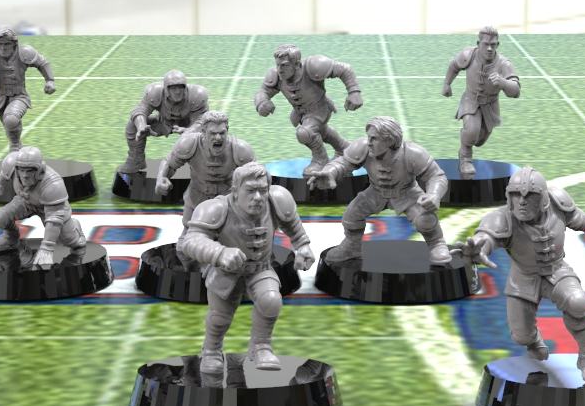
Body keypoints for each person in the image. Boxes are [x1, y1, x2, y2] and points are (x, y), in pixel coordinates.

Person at [458, 167, 585, 386]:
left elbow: (583, 220)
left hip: (557, 270)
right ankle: (533, 341)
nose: (522, 202)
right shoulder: (502, 218)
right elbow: (486, 237)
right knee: (521, 336)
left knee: (578, 301)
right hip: (523, 277)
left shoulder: (558, 203)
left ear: (542, 198)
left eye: (529, 196)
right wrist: (479, 248)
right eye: (515, 195)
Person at [178, 162, 315, 373]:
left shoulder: (277, 200)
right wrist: (219, 253)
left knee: (271, 301)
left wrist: (303, 246)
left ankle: (261, 346)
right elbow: (191, 241)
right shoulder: (216, 208)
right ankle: (211, 350)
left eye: (262, 190)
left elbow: (294, 226)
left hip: (261, 268)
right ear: (235, 190)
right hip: (225, 272)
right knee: (220, 317)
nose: (258, 197)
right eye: (250, 190)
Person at [308, 116, 451, 265]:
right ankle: (352, 246)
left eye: (374, 138)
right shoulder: (364, 147)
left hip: (407, 193)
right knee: (352, 214)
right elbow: (343, 163)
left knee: (425, 219)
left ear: (389, 140)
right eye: (368, 137)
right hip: (375, 193)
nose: (369, 142)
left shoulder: (413, 153)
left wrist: (434, 195)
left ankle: (437, 244)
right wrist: (330, 171)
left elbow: (436, 176)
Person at [254, 44, 362, 177]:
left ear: (297, 64)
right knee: (321, 131)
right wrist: (262, 102)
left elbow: (345, 69)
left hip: (319, 108)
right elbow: (263, 91)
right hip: (302, 113)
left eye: (285, 65)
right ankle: (344, 148)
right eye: (278, 65)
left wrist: (354, 91)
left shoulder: (313, 66)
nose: (280, 69)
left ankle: (320, 159)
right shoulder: (276, 75)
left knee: (305, 132)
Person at [0, 146, 88, 268]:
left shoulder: (53, 184)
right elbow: (4, 174)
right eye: (21, 170)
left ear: (40, 170)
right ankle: (11, 237)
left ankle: (75, 229)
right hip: (25, 201)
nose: (24, 175)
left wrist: (47, 247)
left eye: (30, 170)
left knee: (74, 242)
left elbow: (54, 218)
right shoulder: (11, 164)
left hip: (51, 209)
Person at [442, 27, 521, 176]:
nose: (489, 48)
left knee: (479, 140)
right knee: (471, 131)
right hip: (470, 100)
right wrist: (447, 84)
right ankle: (465, 159)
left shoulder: (503, 64)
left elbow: (515, 91)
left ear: (498, 45)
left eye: (493, 44)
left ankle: (470, 142)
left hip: (490, 106)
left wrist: (503, 82)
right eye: (486, 44)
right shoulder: (468, 55)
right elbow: (454, 65)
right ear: (479, 43)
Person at [154, 111, 255, 225]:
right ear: (203, 132)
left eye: (222, 133)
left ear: (227, 130)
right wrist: (161, 178)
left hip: (227, 202)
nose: (218, 138)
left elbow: (257, 175)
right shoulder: (189, 144)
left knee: (231, 234)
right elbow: (169, 163)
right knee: (188, 233)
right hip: (196, 200)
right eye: (213, 133)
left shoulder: (240, 149)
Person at [0, 26, 56, 151]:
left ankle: (15, 148)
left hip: (19, 95)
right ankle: (17, 147)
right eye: (0, 44)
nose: (3, 48)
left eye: (7, 44)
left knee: (11, 119)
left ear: (14, 44)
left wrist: (50, 80)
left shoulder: (25, 52)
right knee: (9, 126)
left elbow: (43, 63)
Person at [118, 69, 210, 174]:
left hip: (188, 125)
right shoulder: (155, 93)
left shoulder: (197, 96)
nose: (177, 91)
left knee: (208, 131)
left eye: (180, 87)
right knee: (132, 125)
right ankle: (136, 160)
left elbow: (202, 120)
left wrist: (189, 131)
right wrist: (141, 125)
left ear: (185, 87)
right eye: (173, 88)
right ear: (166, 88)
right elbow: (140, 110)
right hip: (164, 123)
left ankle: (201, 164)